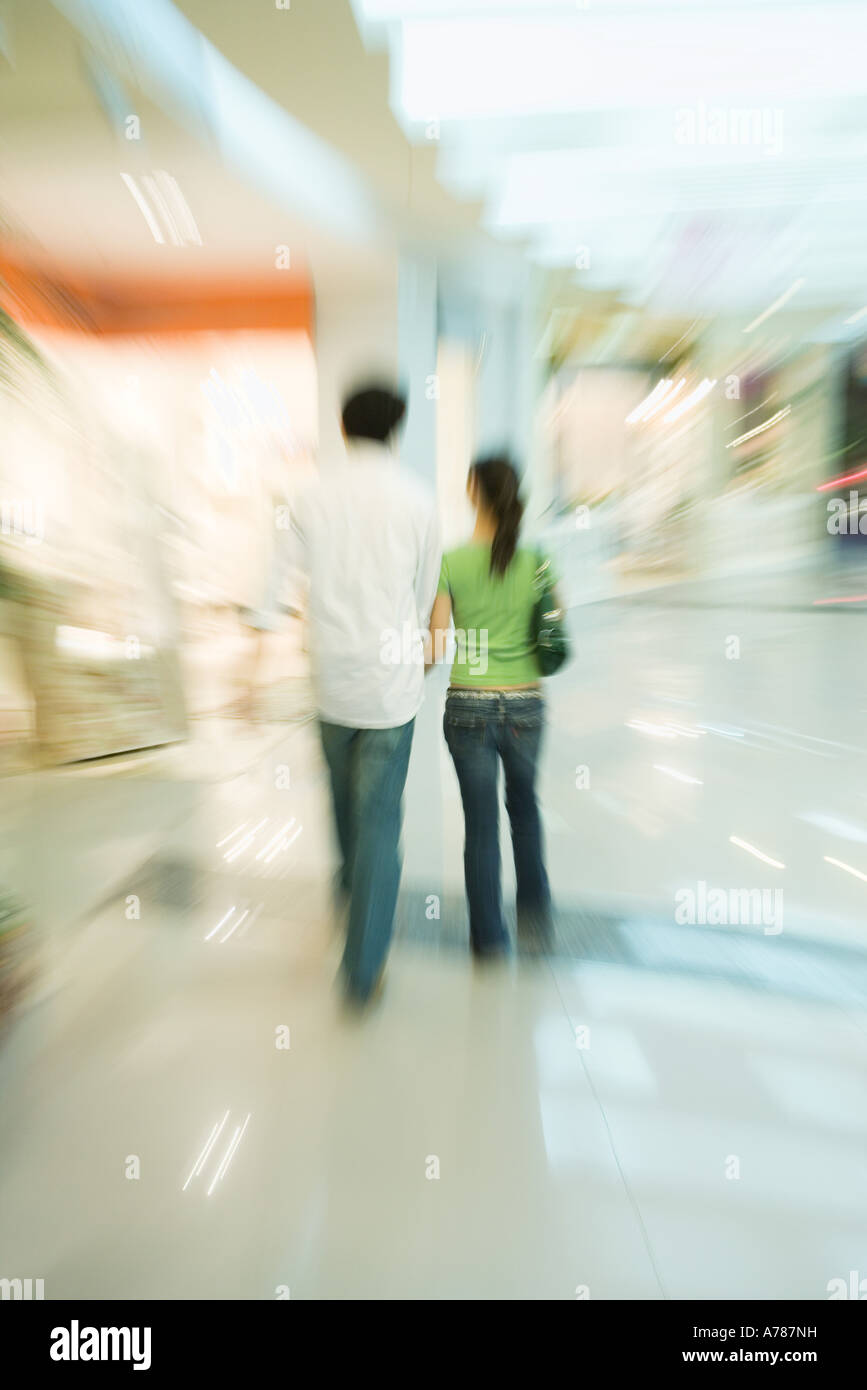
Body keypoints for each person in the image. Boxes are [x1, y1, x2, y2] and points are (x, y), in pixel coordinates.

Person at [290, 384, 441, 1006]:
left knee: (342, 806)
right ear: (396, 430)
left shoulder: (308, 496)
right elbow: (427, 595)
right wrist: (427, 663)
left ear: (343, 427)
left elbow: (278, 583)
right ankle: (363, 963)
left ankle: (354, 895)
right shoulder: (418, 500)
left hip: (331, 679)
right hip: (389, 686)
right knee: (378, 816)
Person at [428, 455, 554, 958]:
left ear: (472, 492)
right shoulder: (539, 560)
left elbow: (436, 647)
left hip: (468, 709)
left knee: (479, 823)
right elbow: (551, 634)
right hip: (525, 705)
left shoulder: (452, 561)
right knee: (524, 809)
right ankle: (535, 919)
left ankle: (487, 938)